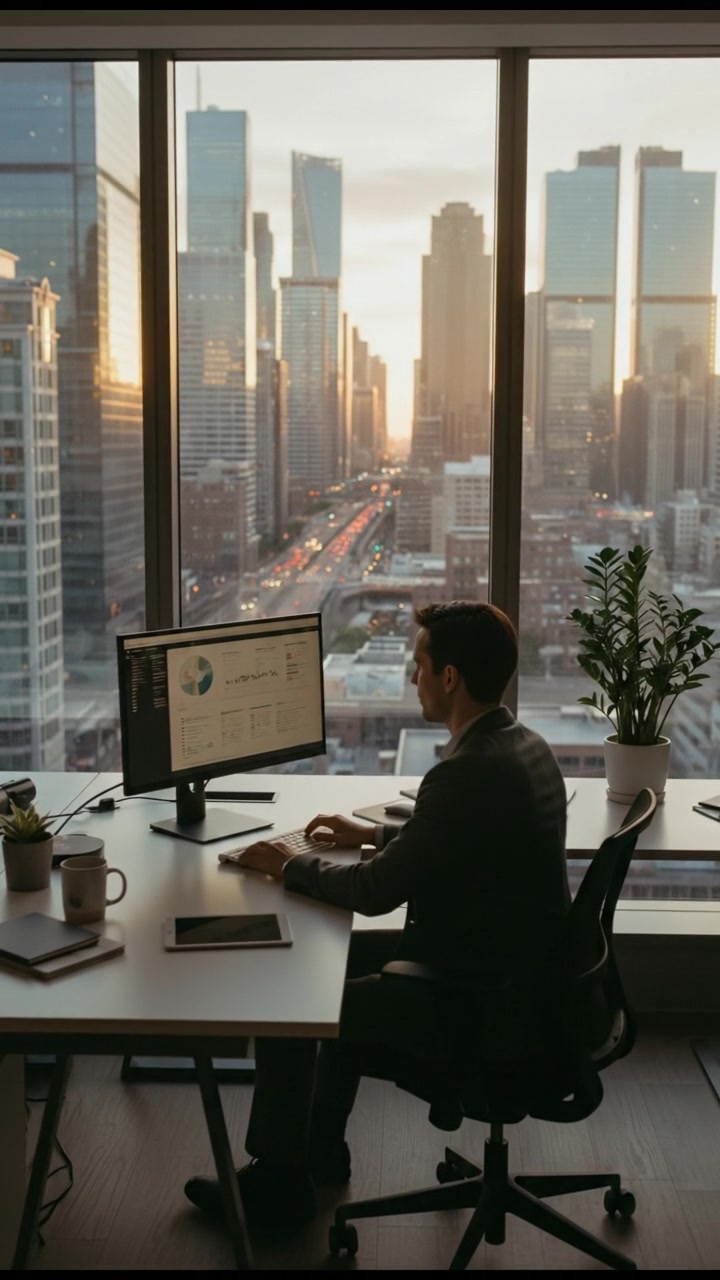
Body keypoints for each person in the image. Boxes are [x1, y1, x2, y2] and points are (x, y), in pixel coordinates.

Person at [184, 601, 570, 1233]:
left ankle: (277, 1187)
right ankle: (318, 1153)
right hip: (517, 976)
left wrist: (287, 864)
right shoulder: (522, 746)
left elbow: (373, 893)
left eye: (417, 666)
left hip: (474, 1001)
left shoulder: (467, 771)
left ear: (449, 678)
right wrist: (366, 832)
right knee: (320, 966)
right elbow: (457, 847)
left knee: (295, 1001)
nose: (409, 678)